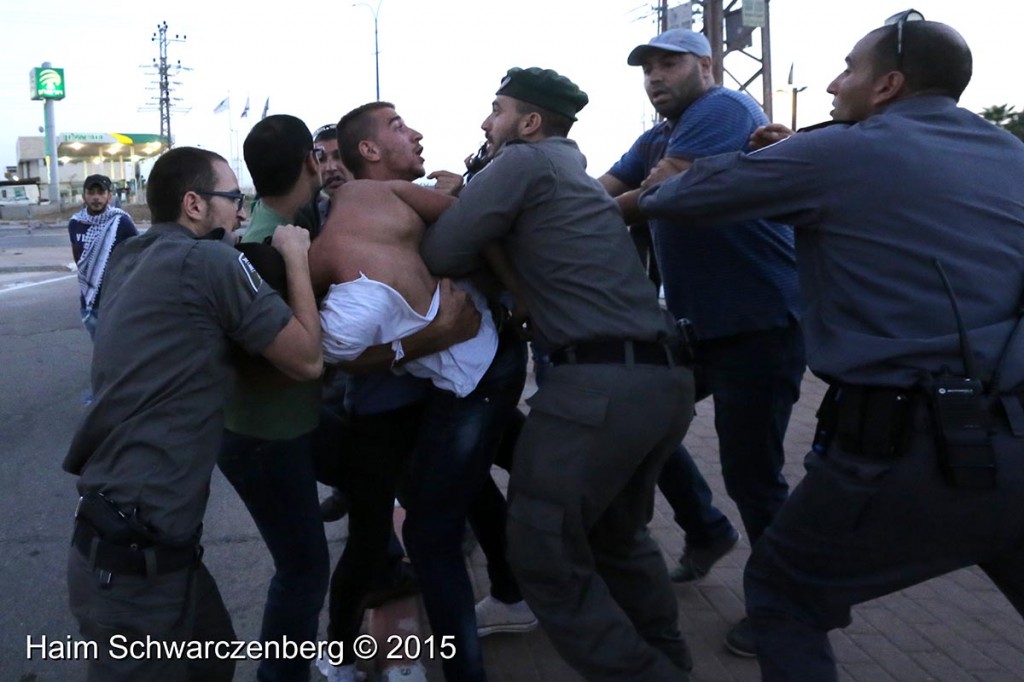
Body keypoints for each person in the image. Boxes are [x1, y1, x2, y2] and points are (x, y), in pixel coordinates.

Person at [638, 14, 1024, 682]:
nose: (833, 83)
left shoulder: (842, 150)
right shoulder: (1011, 154)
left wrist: (768, 159)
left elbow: (676, 196)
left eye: (849, 67)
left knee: (785, 598)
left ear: (888, 85)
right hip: (1014, 430)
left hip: (905, 447)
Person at [421, 66, 697, 682]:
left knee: (542, 550)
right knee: (615, 539)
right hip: (659, 378)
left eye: (495, 110)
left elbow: (441, 254)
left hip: (598, 384)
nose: (485, 122)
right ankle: (670, 660)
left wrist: (454, 201)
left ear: (529, 122)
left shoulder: (522, 163)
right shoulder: (569, 172)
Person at [63, 146, 323, 681]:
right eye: (232, 199)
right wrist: (294, 258)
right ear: (195, 205)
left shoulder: (131, 259)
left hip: (134, 541)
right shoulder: (210, 263)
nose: (242, 213)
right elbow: (307, 360)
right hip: (136, 565)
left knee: (214, 659)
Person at [600, 28, 806, 655]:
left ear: (705, 65)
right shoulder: (662, 133)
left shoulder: (724, 110)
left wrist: (633, 196)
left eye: (669, 64)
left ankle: (787, 612)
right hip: (697, 328)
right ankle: (706, 528)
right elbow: (609, 188)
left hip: (758, 323)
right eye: (648, 68)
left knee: (754, 475)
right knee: (643, 428)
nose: (655, 76)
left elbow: (656, 197)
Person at [309, 101, 528, 682]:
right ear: (371, 153)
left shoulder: (376, 209)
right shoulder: (334, 230)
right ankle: (356, 646)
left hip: (469, 374)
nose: (416, 132)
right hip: (426, 389)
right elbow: (324, 354)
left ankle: (523, 588)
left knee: (451, 514)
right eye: (399, 126)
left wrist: (515, 297)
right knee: (418, 525)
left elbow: (471, 224)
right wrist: (424, 339)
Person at [217, 114, 330, 682]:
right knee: (304, 570)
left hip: (281, 431)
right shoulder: (265, 247)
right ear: (311, 160)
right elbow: (299, 358)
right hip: (263, 439)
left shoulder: (281, 225)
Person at [67, 174, 138, 339]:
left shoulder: (121, 222)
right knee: (99, 349)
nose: (96, 197)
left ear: (109, 196)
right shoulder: (75, 223)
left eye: (101, 192)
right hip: (89, 300)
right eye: (91, 192)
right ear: (84, 196)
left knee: (118, 350)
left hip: (116, 300)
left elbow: (136, 258)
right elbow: (78, 258)